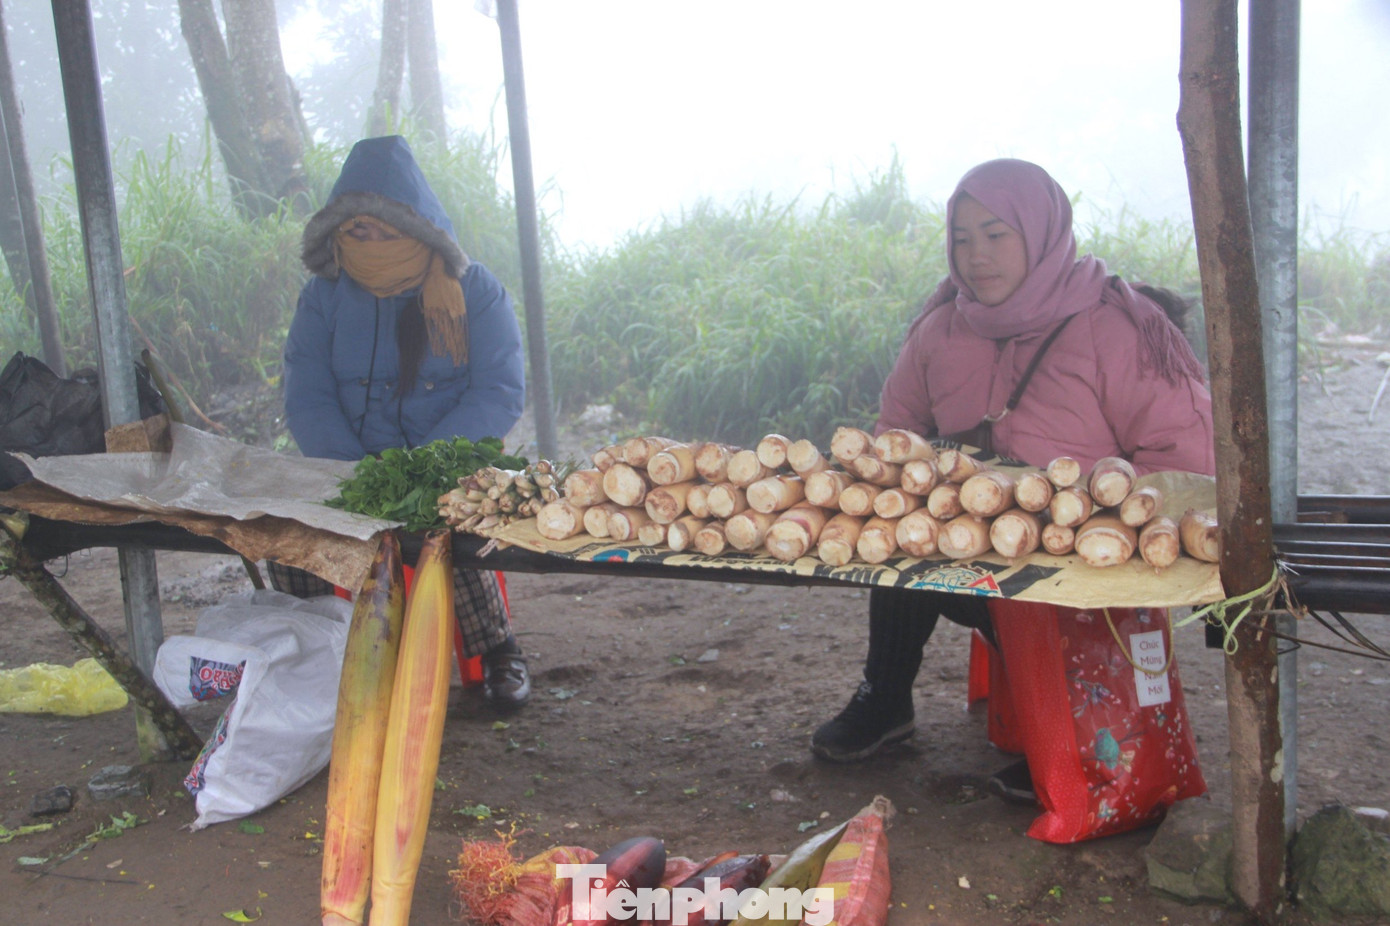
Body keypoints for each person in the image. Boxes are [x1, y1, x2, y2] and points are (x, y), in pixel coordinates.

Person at [810, 159, 1215, 787]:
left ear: (1041, 231)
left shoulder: (1115, 326)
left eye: (997, 235)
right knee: (892, 524)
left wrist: (1102, 514)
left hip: (1085, 552)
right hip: (974, 546)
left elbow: (1187, 458)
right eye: (962, 238)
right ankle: (884, 697)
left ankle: (1065, 731)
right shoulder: (942, 328)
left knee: (1047, 567)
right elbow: (895, 436)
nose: (977, 256)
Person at [271, 135, 532, 710]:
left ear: (416, 227)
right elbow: (307, 394)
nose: (369, 243)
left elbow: (499, 392)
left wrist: (422, 471)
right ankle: (313, 654)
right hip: (348, 467)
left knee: (448, 523)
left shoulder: (474, 292)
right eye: (356, 231)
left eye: (383, 229)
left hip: (441, 464)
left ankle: (496, 653)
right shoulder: (323, 296)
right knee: (284, 534)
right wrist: (357, 476)